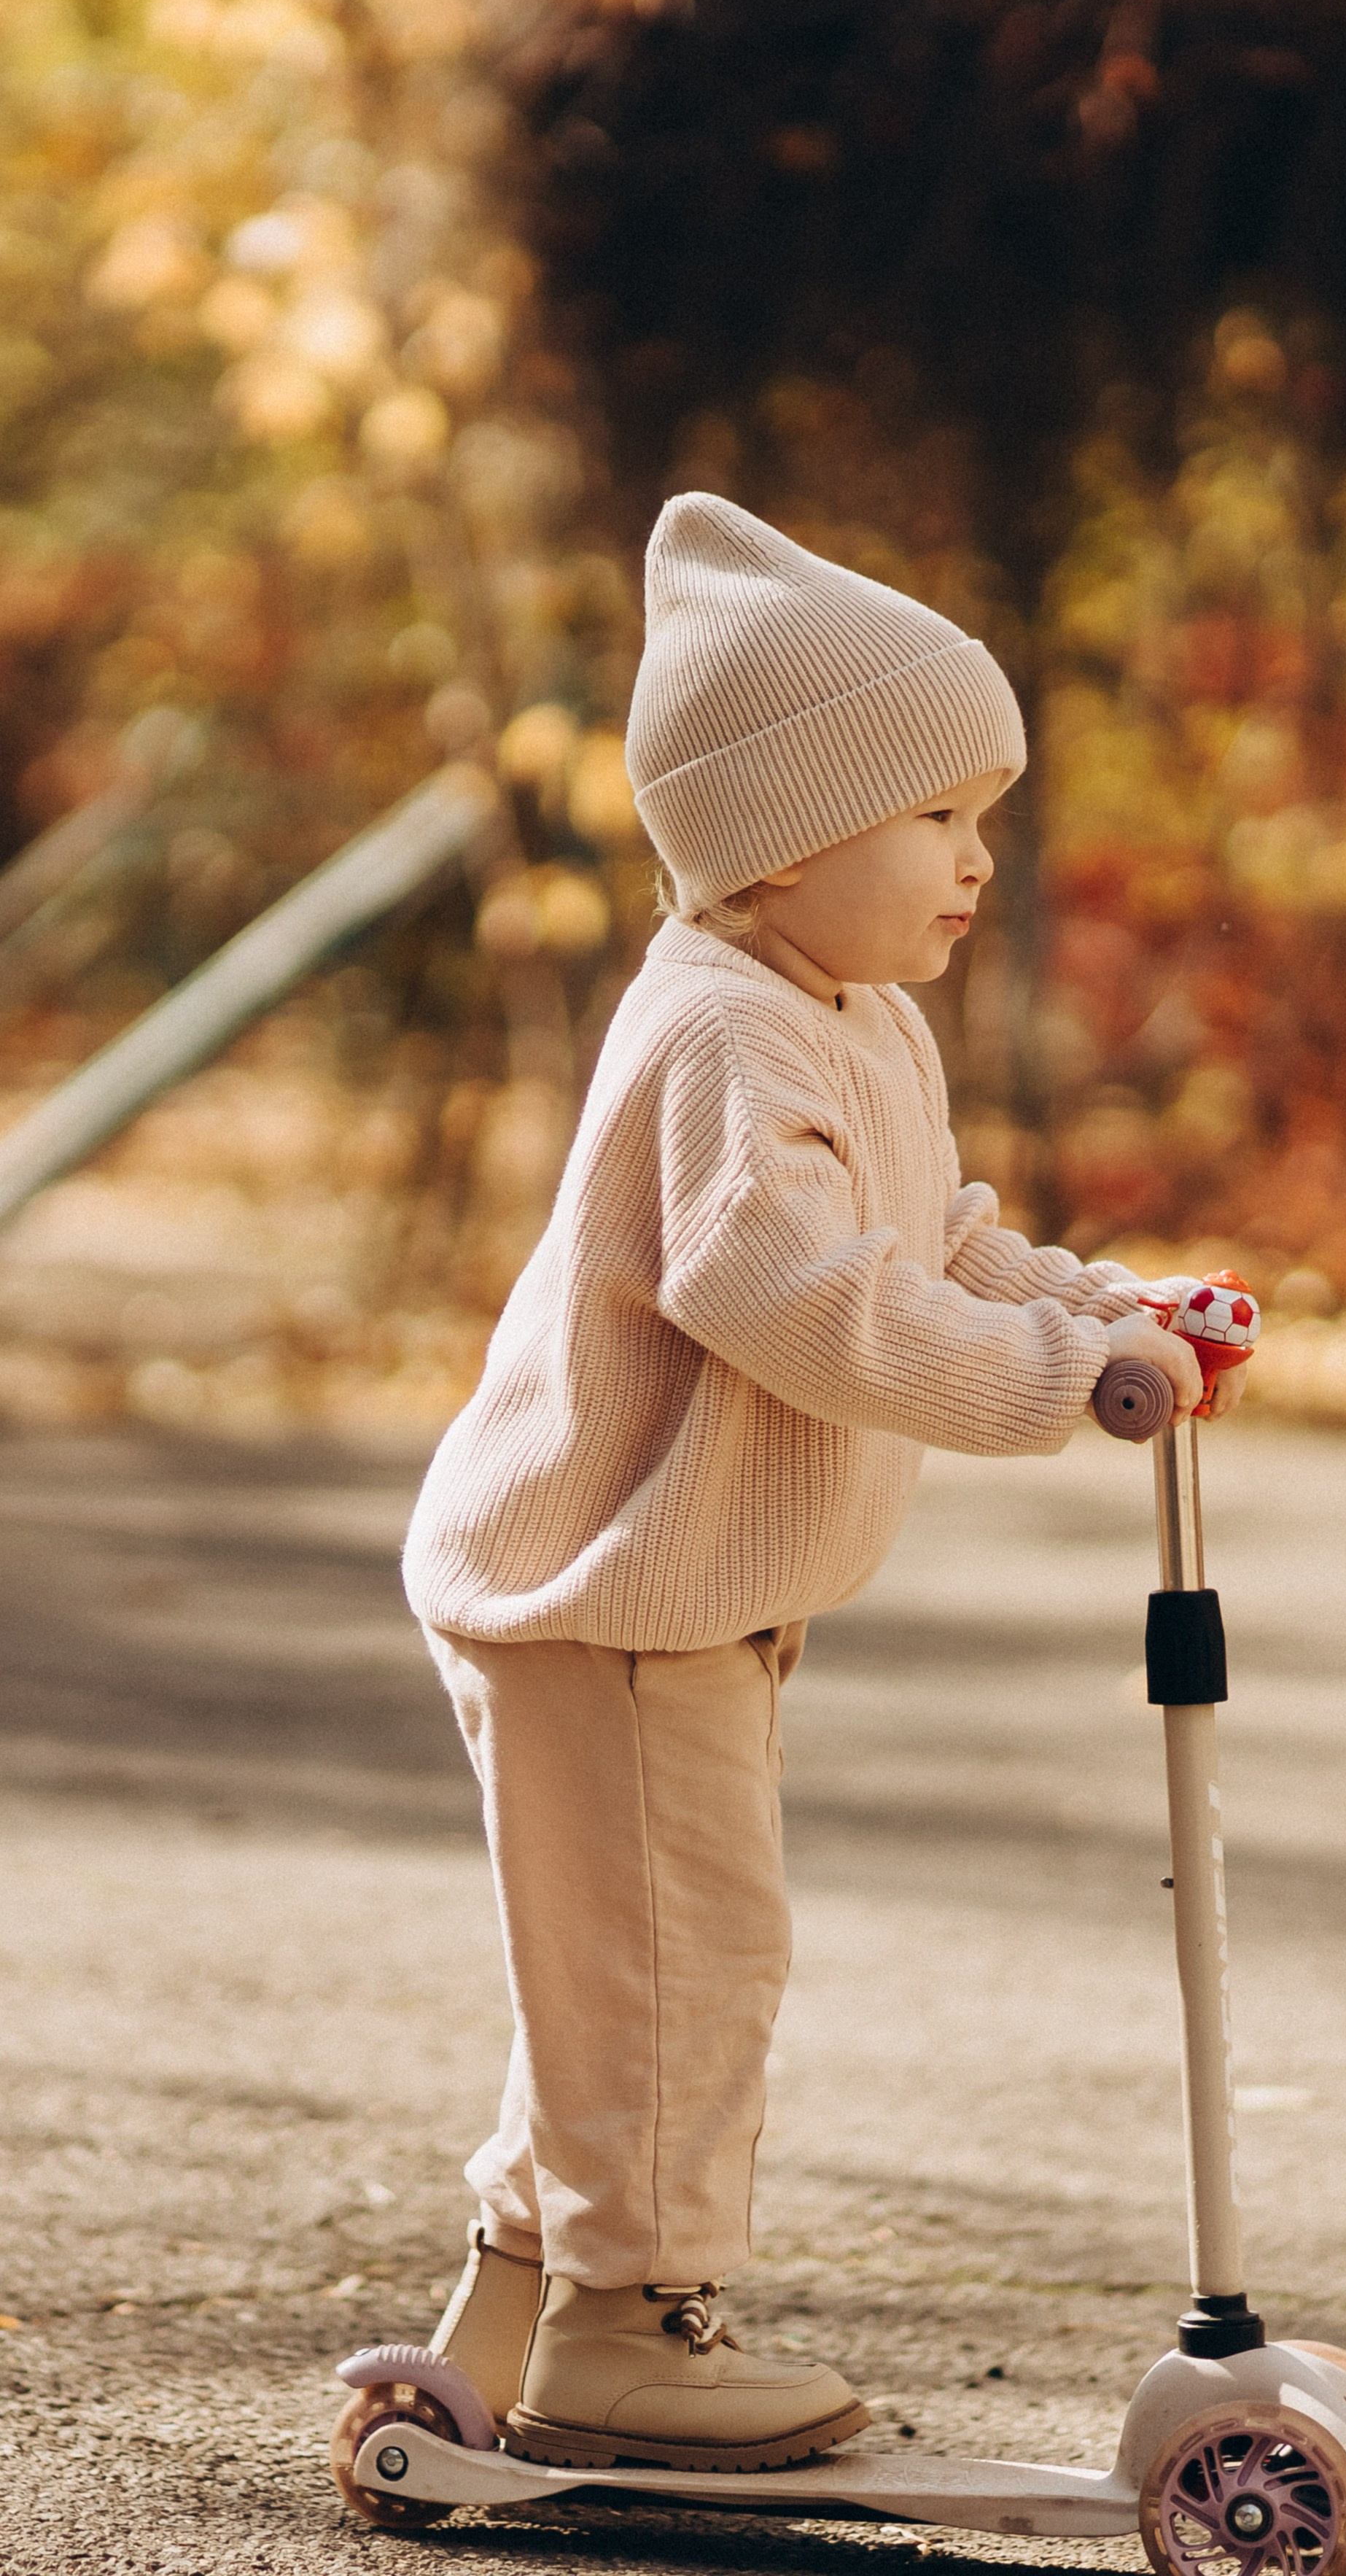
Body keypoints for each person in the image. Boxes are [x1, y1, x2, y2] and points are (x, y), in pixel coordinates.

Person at [400, 493, 1245, 2474]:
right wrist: (1068, 1382)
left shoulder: (853, 1021)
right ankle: (631, 2330)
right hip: (603, 1594)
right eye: (939, 818)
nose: (978, 864)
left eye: (986, 821)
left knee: (628, 1961)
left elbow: (931, 1244)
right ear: (785, 829)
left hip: (679, 1599)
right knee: (685, 1962)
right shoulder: (717, 1028)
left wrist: (1113, 1307)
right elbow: (787, 1288)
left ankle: (517, 2300)